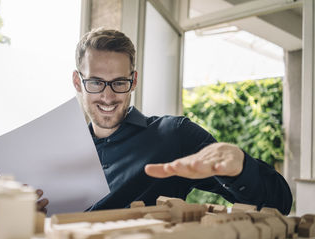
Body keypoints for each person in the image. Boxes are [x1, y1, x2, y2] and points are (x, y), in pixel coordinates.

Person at [37, 28, 292, 215]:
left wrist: (240, 168)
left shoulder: (175, 136)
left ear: (133, 81)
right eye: (95, 82)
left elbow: (279, 203)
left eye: (119, 82)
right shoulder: (61, 154)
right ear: (77, 82)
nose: (107, 95)